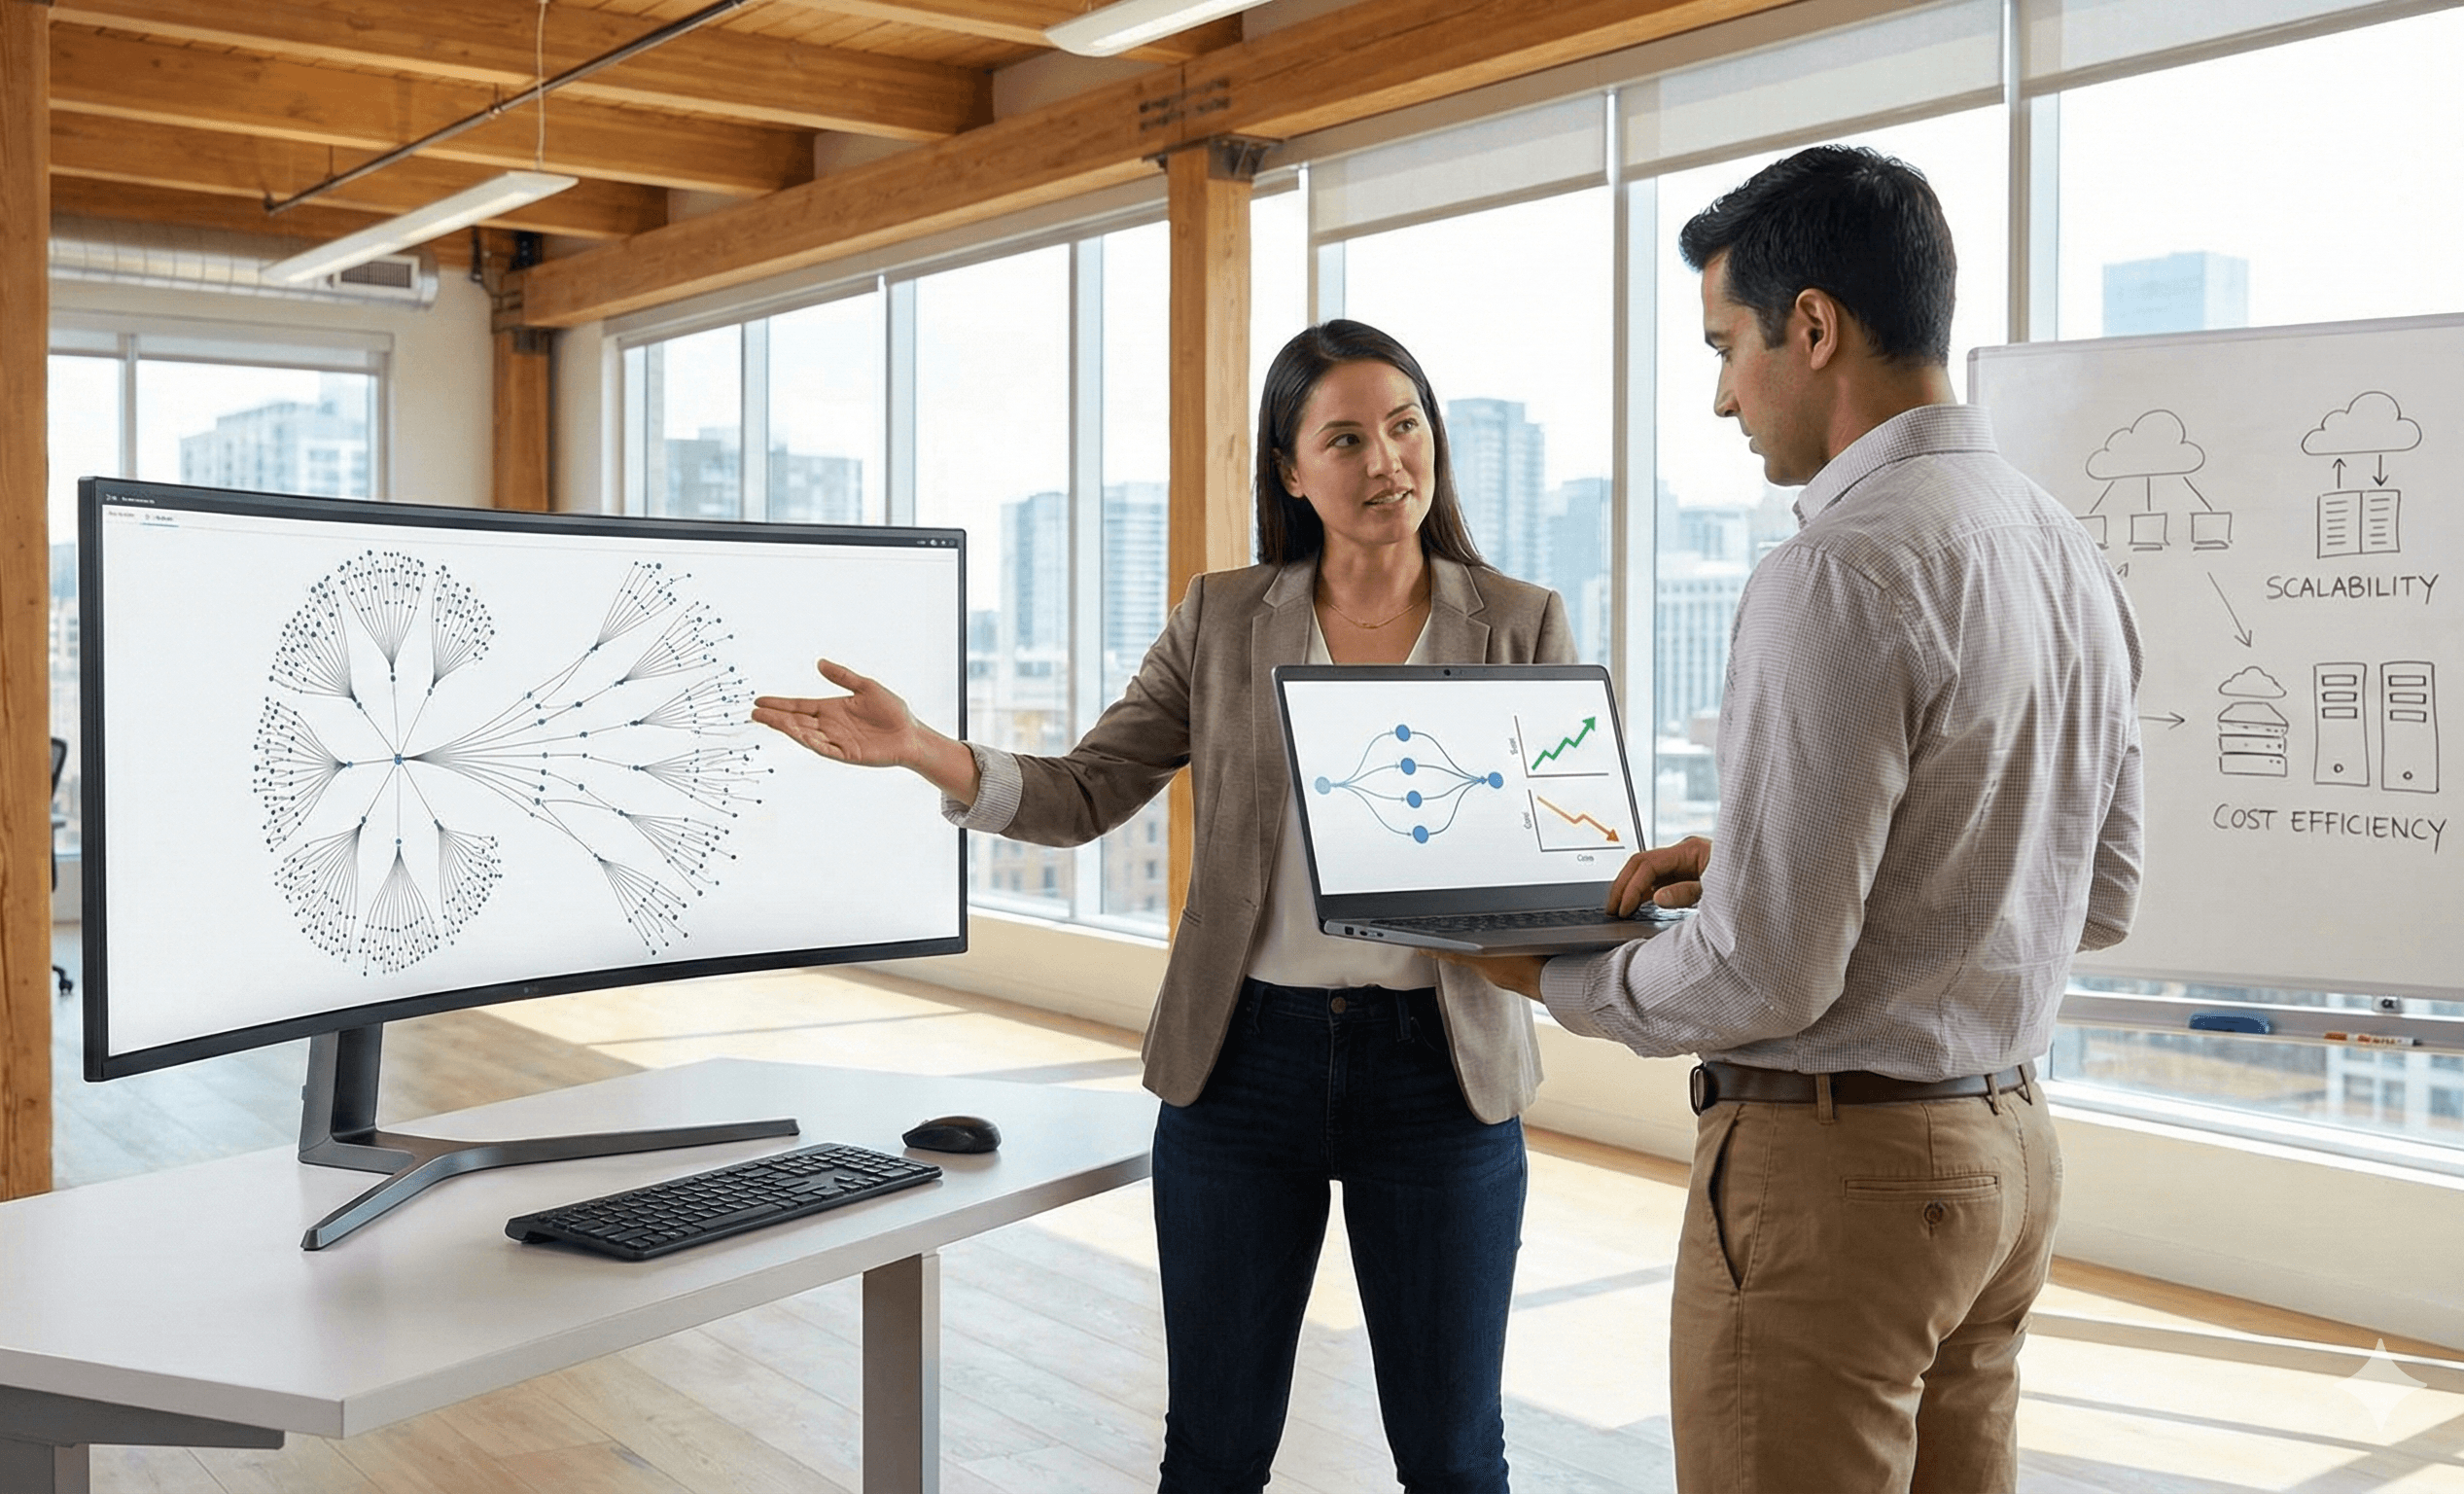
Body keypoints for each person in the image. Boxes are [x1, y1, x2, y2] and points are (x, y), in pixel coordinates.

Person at [754, 320, 1572, 1493]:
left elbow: (1556, 847)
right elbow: (1088, 790)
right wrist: (927, 750)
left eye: (1403, 424)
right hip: (1242, 1065)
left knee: (1452, 1456)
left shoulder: (1519, 620)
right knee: (1213, 1450)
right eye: (1344, 437)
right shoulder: (1224, 615)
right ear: (1292, 472)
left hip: (1439, 1073)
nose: (1385, 459)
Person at [1453, 147, 2143, 1492]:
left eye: (1728, 346)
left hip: (1841, 1182)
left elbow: (1769, 972)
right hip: (2005, 1161)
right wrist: (1747, 866)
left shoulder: (1835, 569)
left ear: (1813, 326)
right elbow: (2095, 893)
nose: (1721, 395)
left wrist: (1551, 975)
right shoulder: (2066, 548)